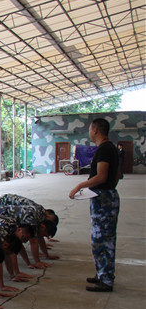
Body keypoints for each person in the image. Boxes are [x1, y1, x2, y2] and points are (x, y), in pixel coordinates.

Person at [69, 117, 120, 292]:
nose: (89, 132)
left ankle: (106, 279)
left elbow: (102, 176)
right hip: (106, 196)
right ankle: (102, 274)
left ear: (95, 130)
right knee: (101, 238)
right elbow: (116, 176)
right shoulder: (109, 148)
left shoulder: (104, 149)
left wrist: (79, 186)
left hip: (104, 199)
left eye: (90, 129)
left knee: (103, 239)